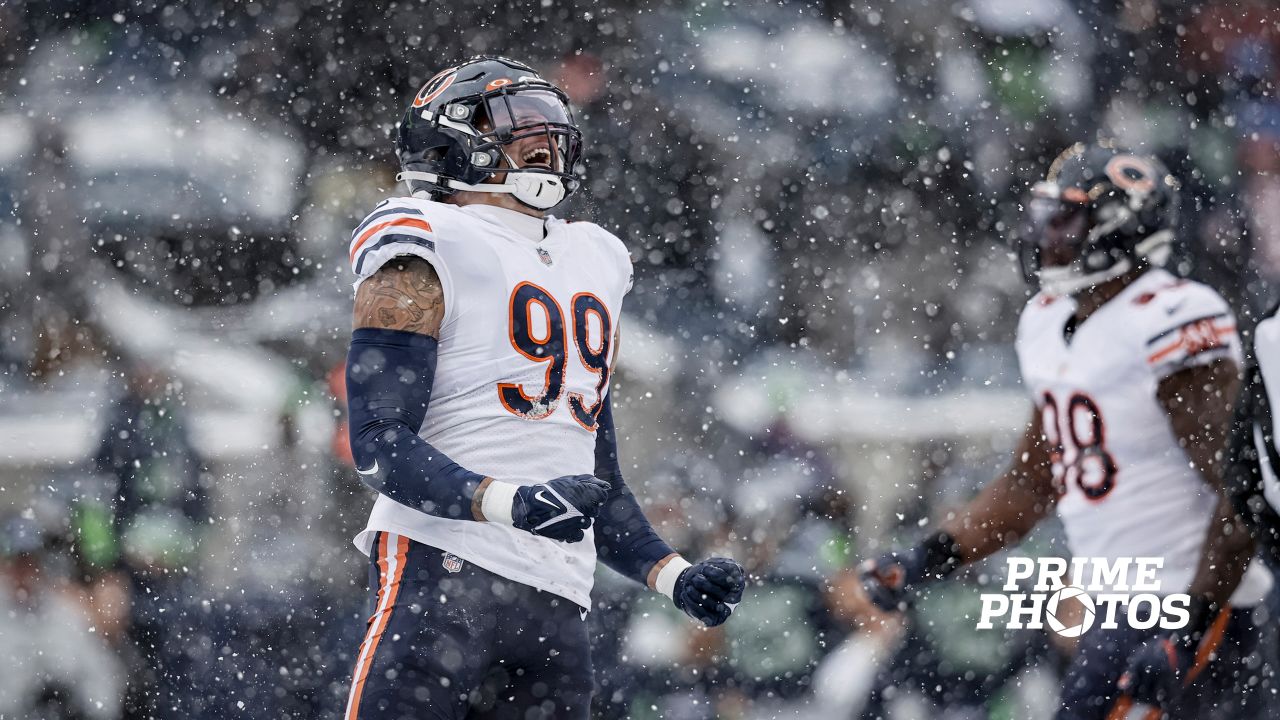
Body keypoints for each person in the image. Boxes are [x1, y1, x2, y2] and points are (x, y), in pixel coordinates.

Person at [339, 56, 746, 720]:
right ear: (452, 141)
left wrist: (673, 576)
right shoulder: (427, 237)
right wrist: (511, 504)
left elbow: (594, 481)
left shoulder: (595, 257)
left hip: (555, 596)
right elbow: (378, 443)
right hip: (444, 567)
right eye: (516, 126)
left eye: (548, 124)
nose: (544, 141)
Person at [858, 142, 1272, 719]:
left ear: (1117, 227)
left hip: (1189, 603)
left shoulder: (1168, 315)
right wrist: (929, 556)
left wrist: (1191, 623)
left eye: (1066, 217)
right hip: (1119, 605)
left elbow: (1241, 490)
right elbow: (1033, 483)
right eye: (1045, 216)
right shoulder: (1049, 321)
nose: (1047, 232)